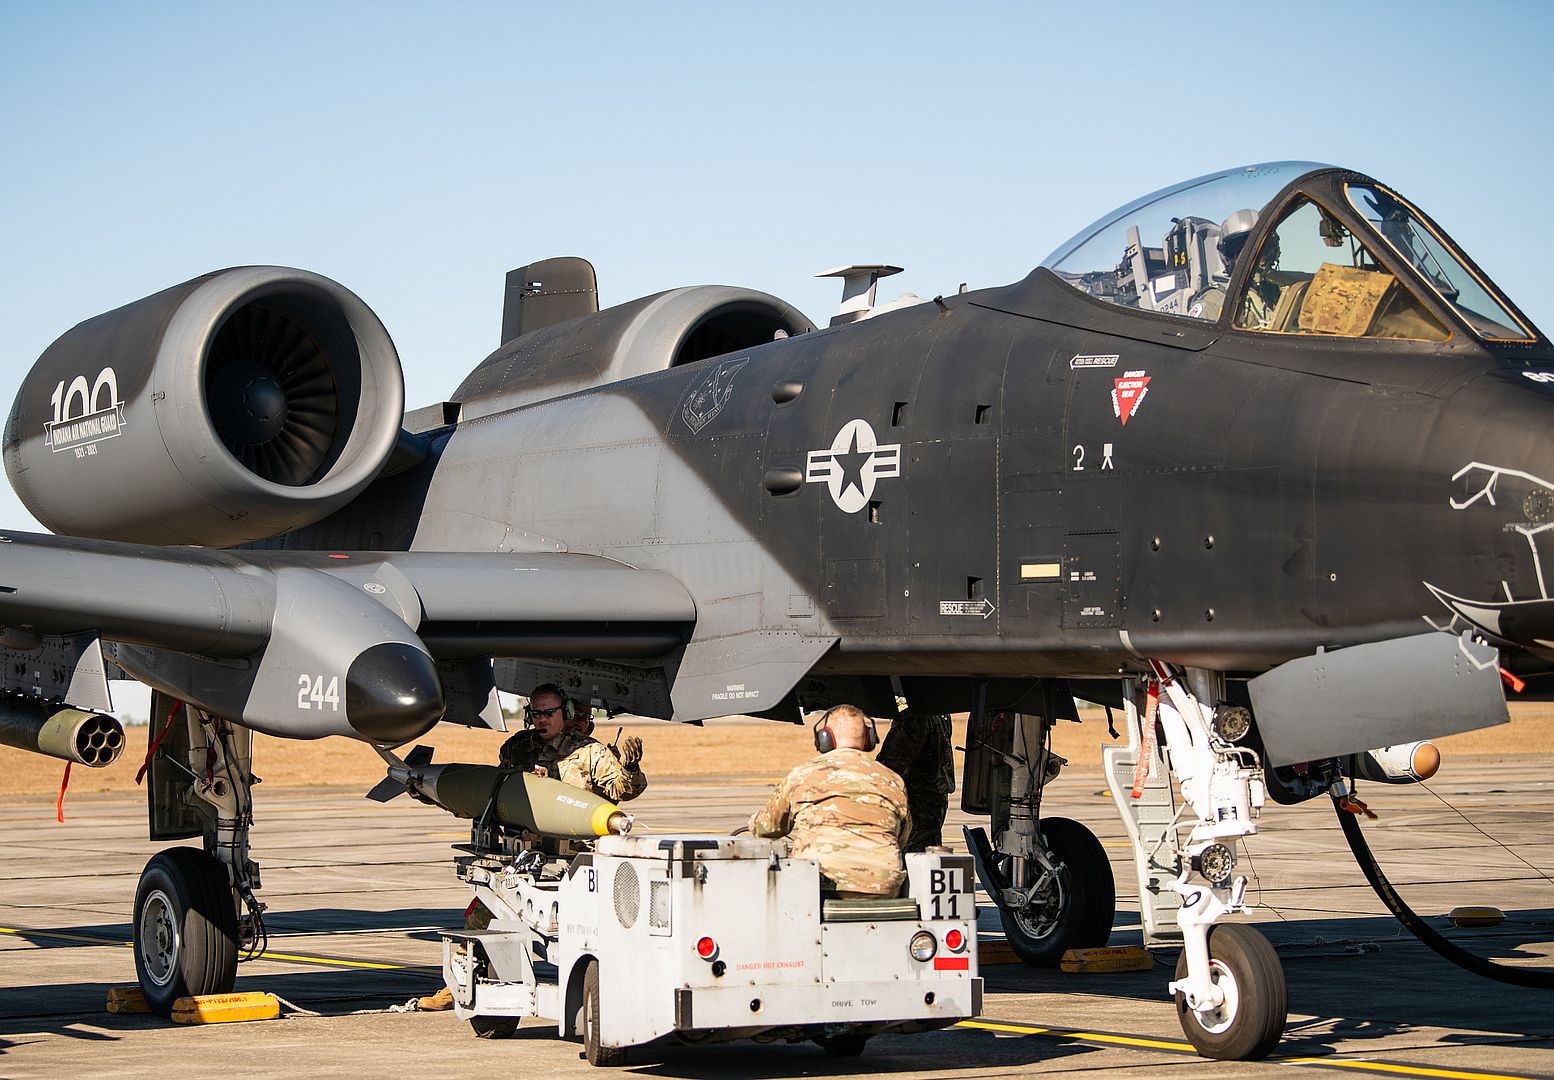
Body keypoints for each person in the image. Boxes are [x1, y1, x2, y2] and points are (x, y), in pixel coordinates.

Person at [747, 704, 911, 898]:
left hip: (819, 884)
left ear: (824, 738)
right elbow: (903, 835)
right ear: (869, 738)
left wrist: (754, 822)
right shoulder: (892, 780)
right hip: (882, 886)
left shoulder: (803, 775)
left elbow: (767, 828)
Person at [496, 683, 647, 803]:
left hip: (575, 840)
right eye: (537, 714)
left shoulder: (590, 751)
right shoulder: (516, 746)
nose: (542, 719)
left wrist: (630, 769)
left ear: (565, 713)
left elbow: (622, 791)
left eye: (549, 713)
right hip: (526, 838)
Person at [875, 712, 955, 852]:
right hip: (931, 802)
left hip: (916, 804)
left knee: (913, 859)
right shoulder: (939, 712)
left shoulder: (915, 716)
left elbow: (890, 763)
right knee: (925, 857)